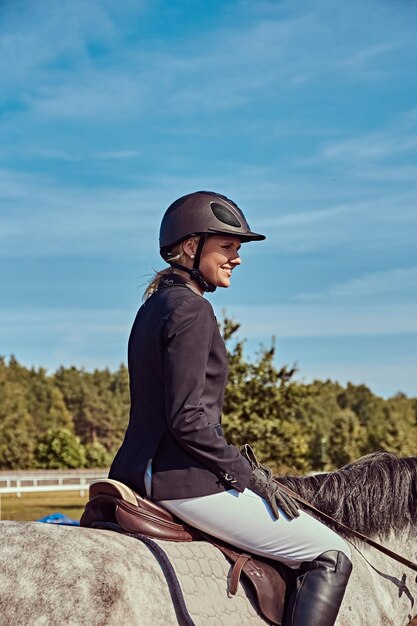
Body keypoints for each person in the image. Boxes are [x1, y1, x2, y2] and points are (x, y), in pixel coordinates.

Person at [109, 191, 352, 626]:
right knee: (331, 553)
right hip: (181, 482)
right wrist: (247, 474)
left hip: (134, 470)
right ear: (190, 247)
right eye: (227, 247)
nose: (236, 258)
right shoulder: (193, 310)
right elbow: (188, 419)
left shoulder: (152, 308)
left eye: (238, 249)